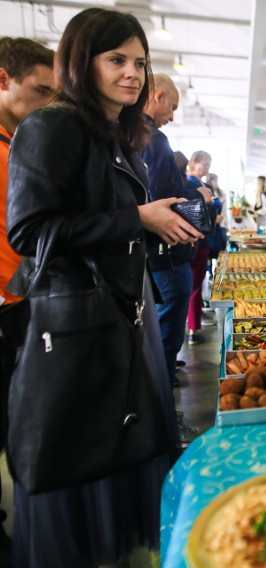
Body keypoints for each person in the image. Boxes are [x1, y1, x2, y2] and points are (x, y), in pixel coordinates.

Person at [5, 8, 197, 565]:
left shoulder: (111, 136)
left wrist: (158, 232)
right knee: (82, 459)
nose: (133, 74)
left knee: (119, 452)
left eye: (139, 62)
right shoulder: (52, 125)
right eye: (116, 60)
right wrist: (136, 220)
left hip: (117, 319)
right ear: (80, 62)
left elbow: (104, 220)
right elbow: (31, 231)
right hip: (74, 330)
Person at [0, 34, 55, 560]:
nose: (47, 105)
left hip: (25, 307)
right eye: (40, 92)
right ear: (3, 79)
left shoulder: (22, 145)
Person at [142, 73, 205, 389]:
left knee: (160, 338)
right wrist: (198, 196)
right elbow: (167, 198)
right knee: (166, 339)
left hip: (150, 257)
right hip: (166, 257)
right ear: (158, 96)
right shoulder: (153, 139)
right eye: (173, 107)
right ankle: (164, 421)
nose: (172, 116)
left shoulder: (131, 136)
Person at [184, 150, 215, 345]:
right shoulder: (190, 183)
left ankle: (195, 324)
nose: (207, 168)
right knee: (194, 286)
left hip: (203, 241)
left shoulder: (199, 183)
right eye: (205, 163)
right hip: (197, 241)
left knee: (196, 284)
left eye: (209, 164)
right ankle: (193, 329)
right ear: (194, 162)